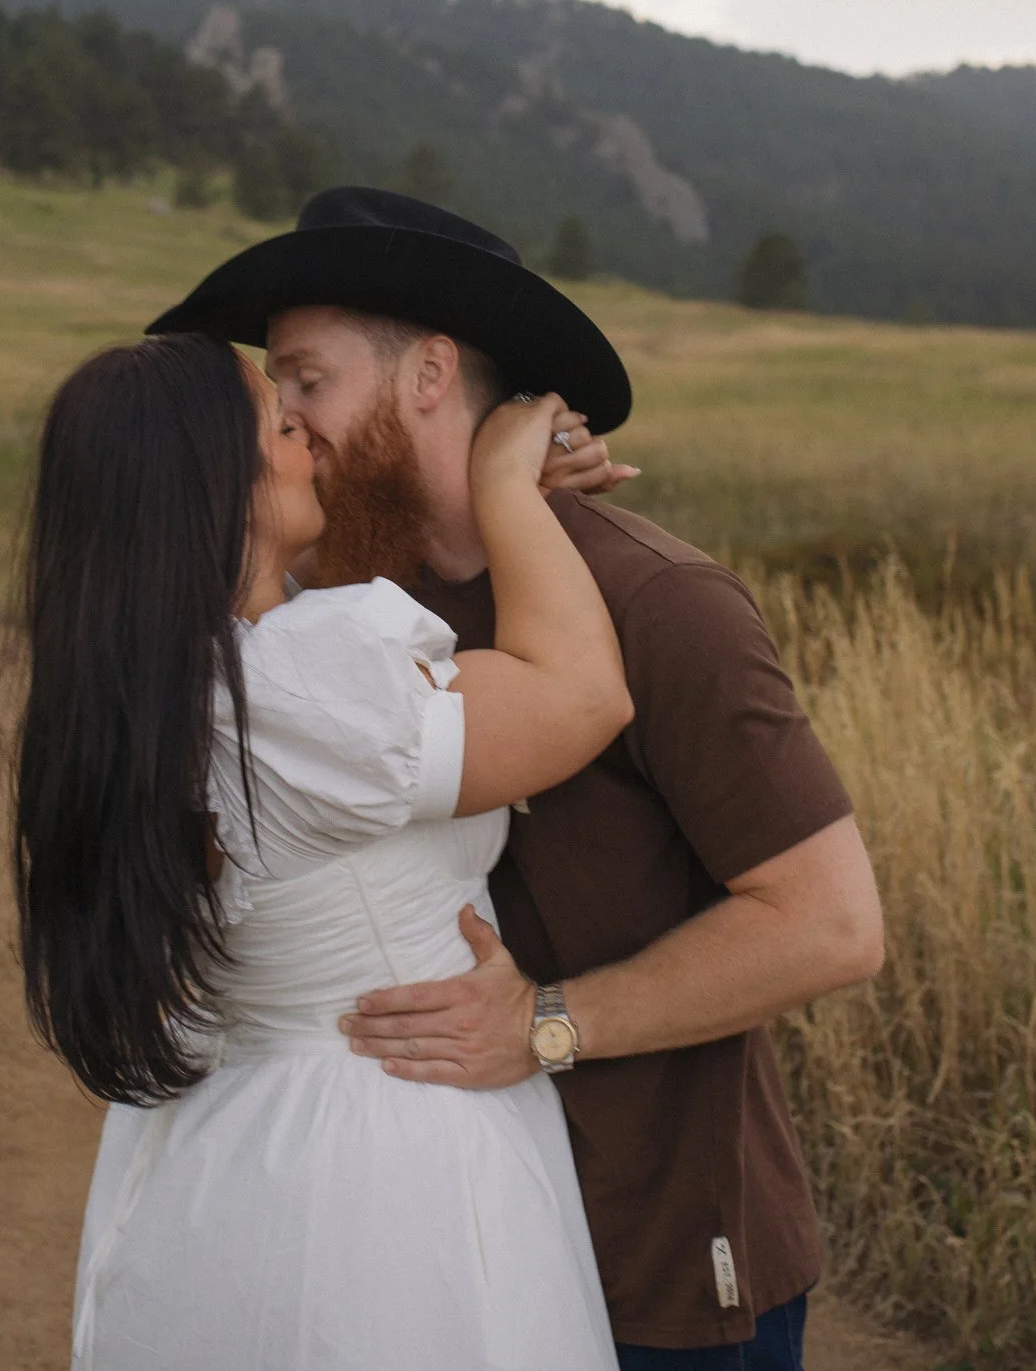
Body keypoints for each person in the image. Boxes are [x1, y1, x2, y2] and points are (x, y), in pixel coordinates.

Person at [148, 188, 886, 1369]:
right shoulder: (336, 601)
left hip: (653, 1261)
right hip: (423, 1258)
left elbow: (832, 924)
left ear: (430, 372)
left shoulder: (658, 603)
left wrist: (547, 1024)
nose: (280, 419)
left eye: (304, 380)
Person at [14, 329, 639, 1368]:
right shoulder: (295, 687)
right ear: (217, 482)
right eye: (278, 417)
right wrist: (503, 485)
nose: (306, 436)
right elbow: (584, 695)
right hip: (381, 1158)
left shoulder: (147, 691)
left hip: (233, 1141)